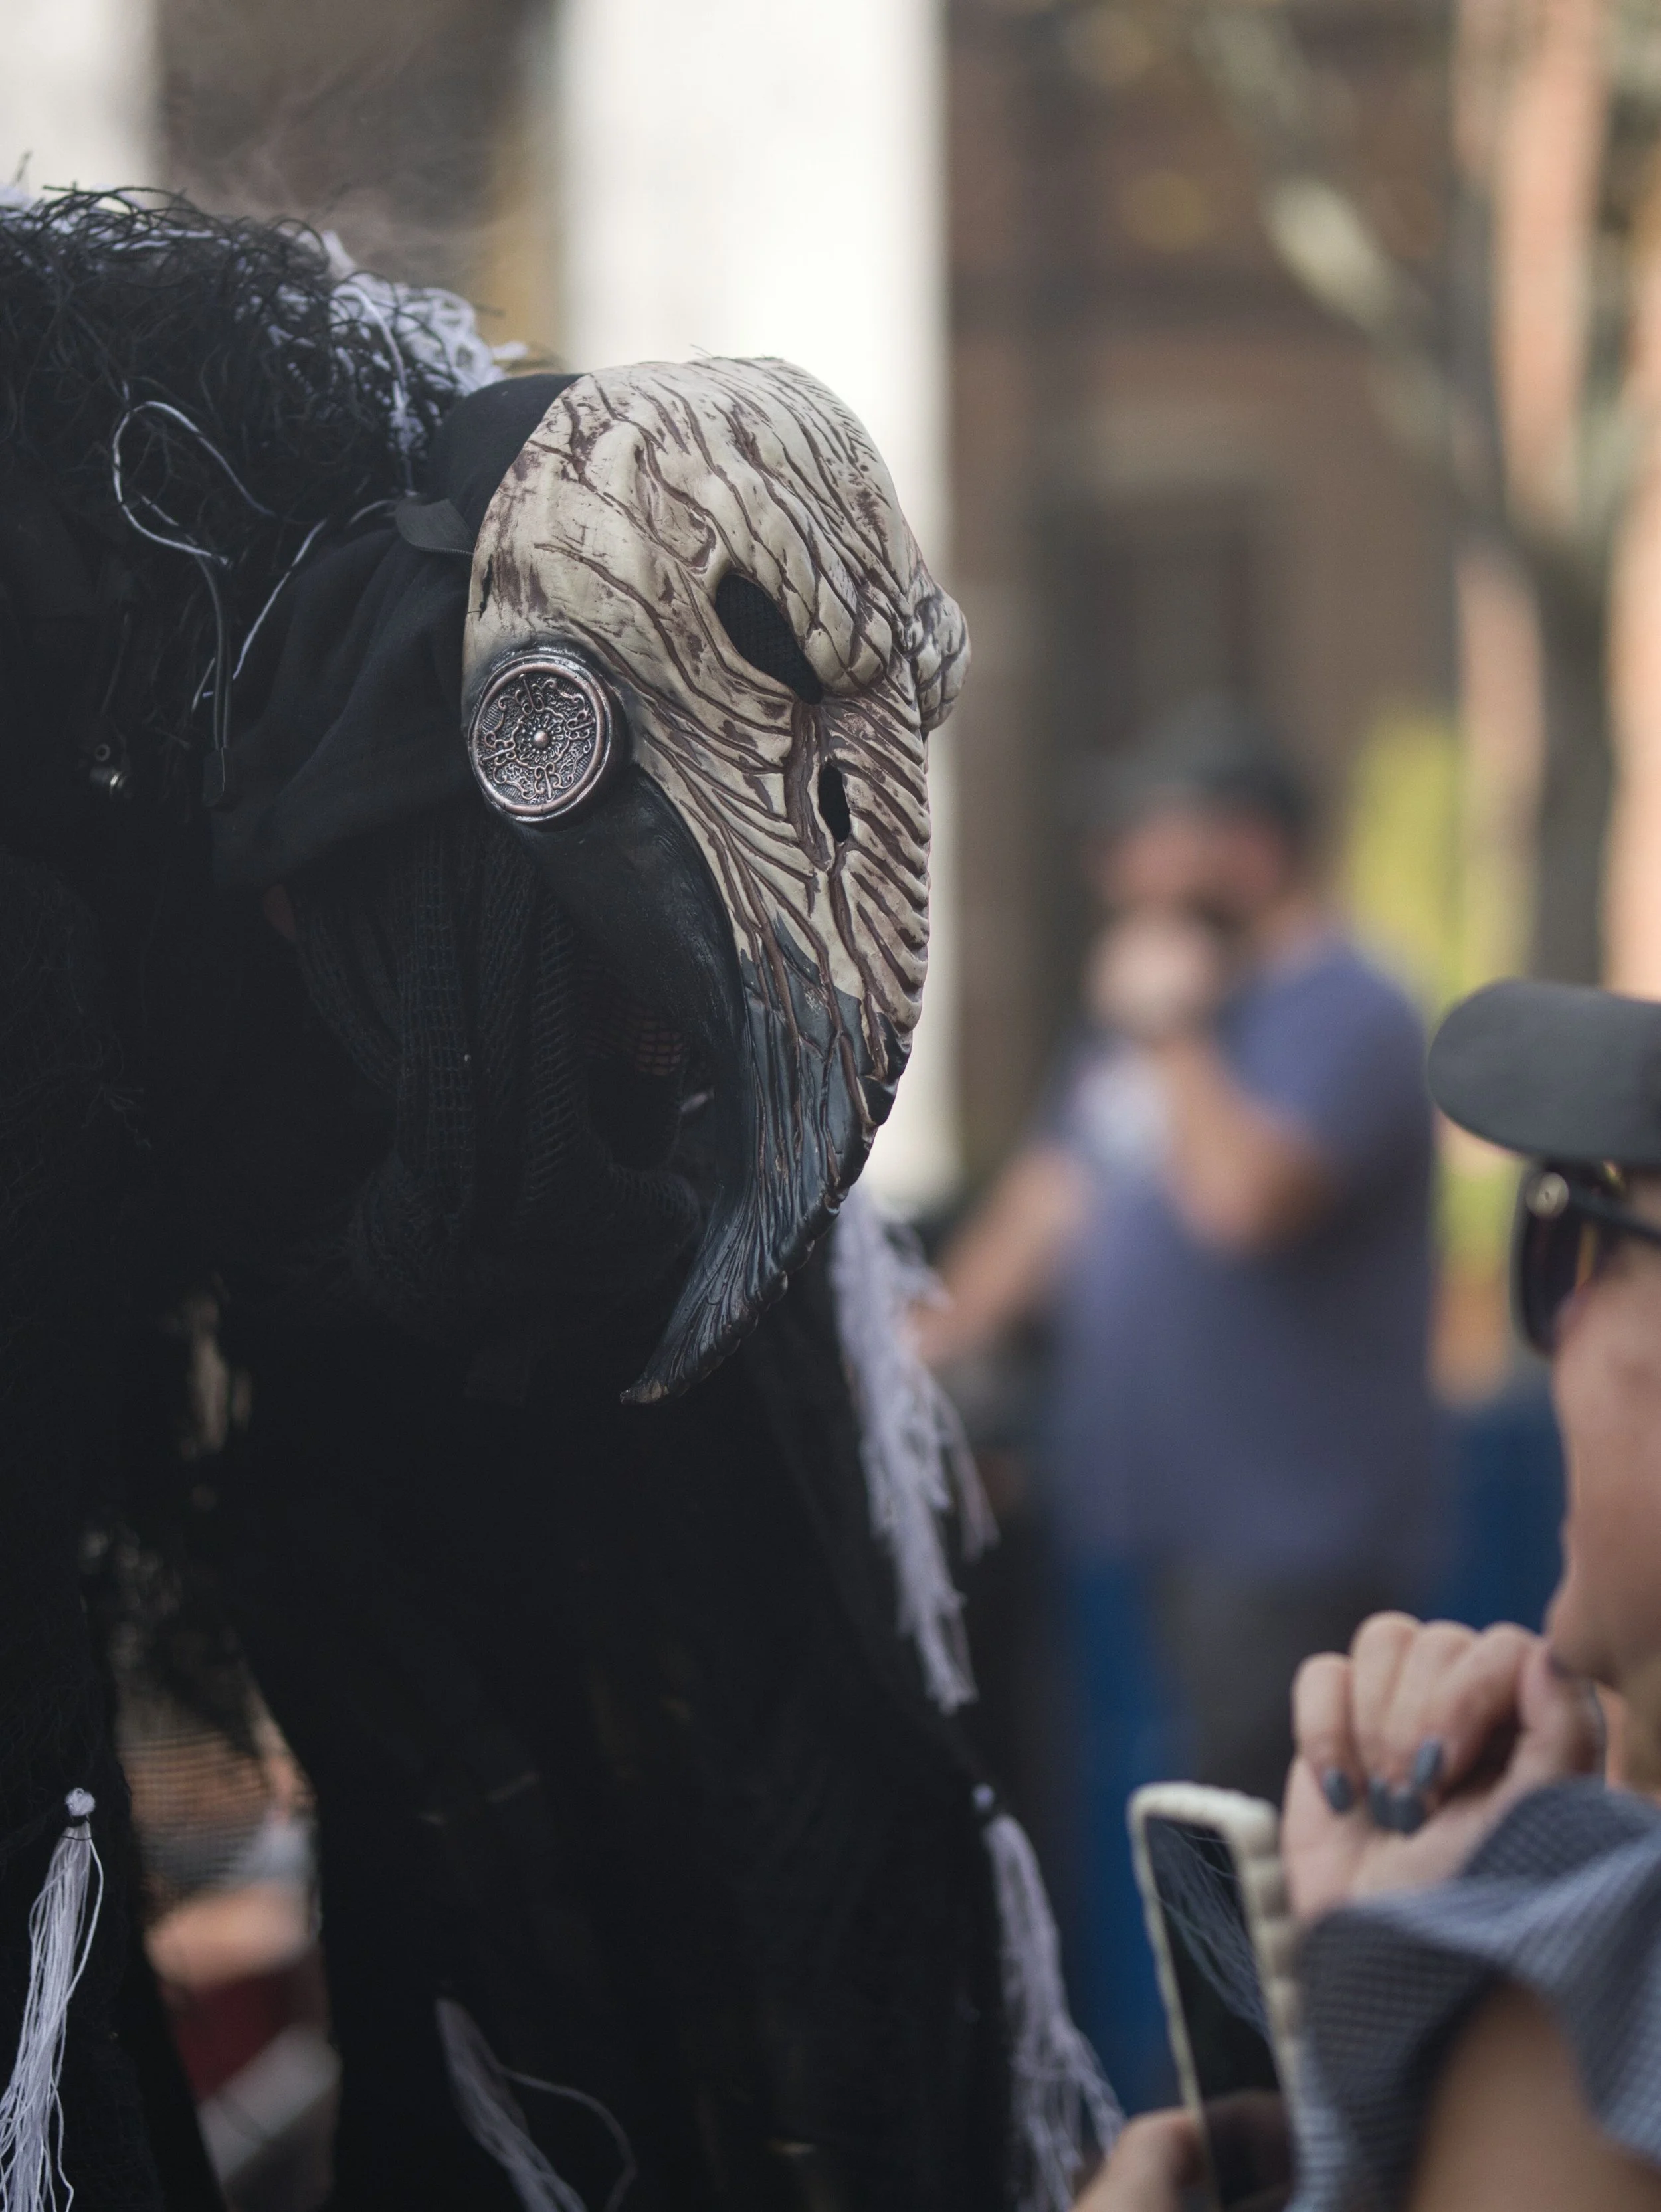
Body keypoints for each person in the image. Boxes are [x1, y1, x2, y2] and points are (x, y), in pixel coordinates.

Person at [1086, 972, 1661, 2211]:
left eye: (1578, 1241)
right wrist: (1378, 1997)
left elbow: (1243, 1193)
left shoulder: (1590, 2001)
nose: (1555, 1327)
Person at [923, 713, 1440, 1806]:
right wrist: (905, 1350)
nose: (1115, 873)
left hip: (1294, 1548)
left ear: (1246, 849)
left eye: (1142, 837)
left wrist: (1170, 1032)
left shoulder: (1350, 1008)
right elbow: (1043, 1208)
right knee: (1179, 1861)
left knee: (1272, 1872)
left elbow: (1246, 1202)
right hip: (1148, 1528)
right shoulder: (1148, 1030)